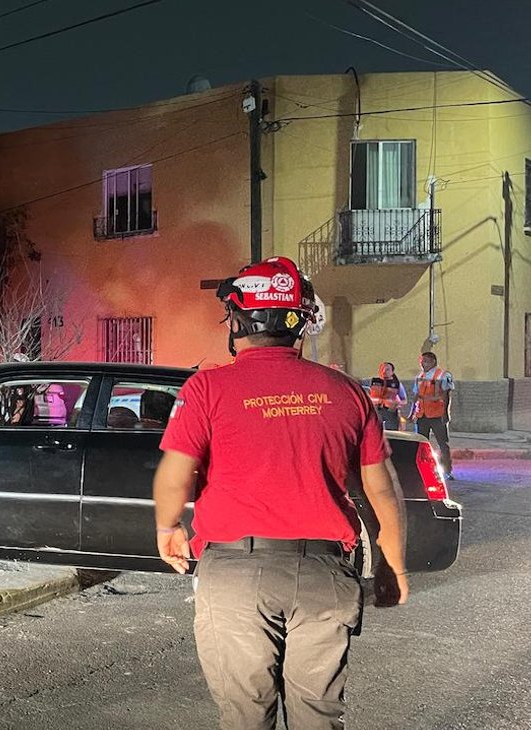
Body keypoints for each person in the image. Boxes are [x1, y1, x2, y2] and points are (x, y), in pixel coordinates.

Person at [152, 256, 409, 730]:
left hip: (235, 575)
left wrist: (168, 526)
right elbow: (381, 490)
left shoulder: (207, 388)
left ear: (238, 319)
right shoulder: (346, 392)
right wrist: (393, 564)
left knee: (246, 715)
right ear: (300, 323)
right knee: (318, 716)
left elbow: (175, 474)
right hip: (324, 575)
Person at [412, 351, 454, 479]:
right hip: (422, 415)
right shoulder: (420, 376)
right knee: (421, 444)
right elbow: (416, 396)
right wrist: (412, 413)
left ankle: (446, 471)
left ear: (433, 361)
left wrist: (445, 413)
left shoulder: (443, 375)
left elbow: (446, 395)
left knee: (443, 444)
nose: (422, 364)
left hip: (437, 415)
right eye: (421, 361)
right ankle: (423, 470)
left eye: (425, 361)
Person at [369, 361, 407, 431]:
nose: (384, 371)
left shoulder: (397, 384)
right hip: (375, 411)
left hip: (390, 412)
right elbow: (366, 397)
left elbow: (404, 400)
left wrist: (396, 404)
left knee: (392, 434)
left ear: (392, 372)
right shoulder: (373, 382)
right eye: (382, 368)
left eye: (387, 369)